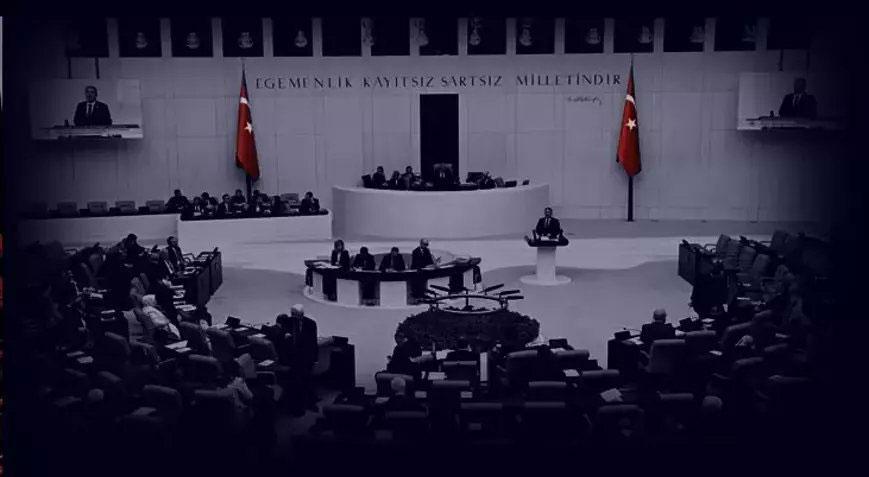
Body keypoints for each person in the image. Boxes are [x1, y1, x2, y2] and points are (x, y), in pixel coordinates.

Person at [284, 304, 319, 412]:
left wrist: (315, 359)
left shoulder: (310, 324)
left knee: (308, 381)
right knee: (296, 383)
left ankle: (310, 403)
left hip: (306, 358)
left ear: (301, 315)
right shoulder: (287, 322)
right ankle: (299, 406)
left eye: (295, 315)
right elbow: (280, 333)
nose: (293, 316)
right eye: (292, 314)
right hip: (292, 358)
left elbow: (313, 342)